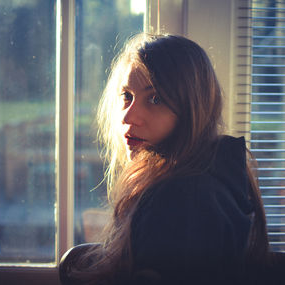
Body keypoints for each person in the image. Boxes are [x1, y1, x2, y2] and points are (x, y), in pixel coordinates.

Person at [61, 33, 270, 285]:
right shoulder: (206, 177)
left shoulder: (186, 198)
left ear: (192, 108)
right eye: (127, 96)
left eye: (155, 98)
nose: (128, 116)